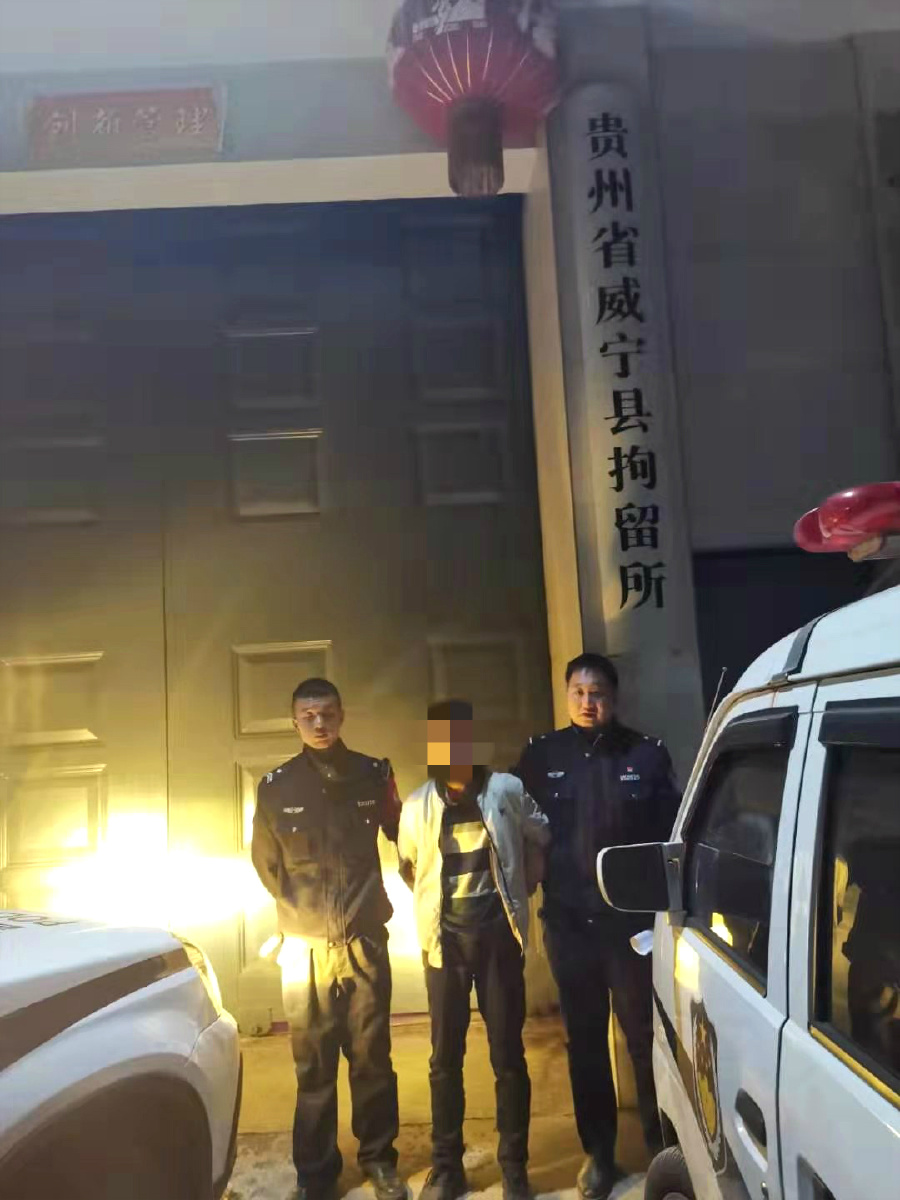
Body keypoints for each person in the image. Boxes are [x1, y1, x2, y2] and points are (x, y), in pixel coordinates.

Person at [513, 654, 681, 1200]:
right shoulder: (541, 756)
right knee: (584, 1042)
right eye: (579, 693)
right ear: (567, 695)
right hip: (570, 925)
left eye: (598, 693)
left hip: (631, 928)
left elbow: (671, 839)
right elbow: (515, 832)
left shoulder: (646, 755)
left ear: (614, 697)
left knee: (645, 1039)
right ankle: (599, 1154)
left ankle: (662, 1146)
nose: (588, 703)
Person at [251, 677, 406, 1200]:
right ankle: (316, 1175)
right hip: (306, 949)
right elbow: (266, 864)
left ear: (342, 715)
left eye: (328, 714)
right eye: (309, 716)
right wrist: (299, 918)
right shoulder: (276, 786)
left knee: (372, 1059)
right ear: (295, 721)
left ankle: (379, 1160)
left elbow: (404, 836)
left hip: (364, 942)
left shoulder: (373, 774)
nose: (320, 724)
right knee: (313, 1065)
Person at [398, 700, 549, 1200]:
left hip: (498, 942)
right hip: (445, 946)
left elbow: (540, 833)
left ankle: (514, 1168)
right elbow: (410, 865)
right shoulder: (418, 805)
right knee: (445, 1059)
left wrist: (526, 883)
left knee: (508, 1055)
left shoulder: (505, 790)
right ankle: (447, 1168)